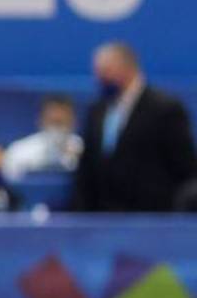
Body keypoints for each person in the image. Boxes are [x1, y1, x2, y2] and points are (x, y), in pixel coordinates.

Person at [72, 42, 197, 211]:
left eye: (105, 71)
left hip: (152, 215)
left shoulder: (165, 109)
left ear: (127, 68)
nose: (99, 78)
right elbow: (87, 167)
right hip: (104, 215)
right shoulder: (98, 109)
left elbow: (185, 166)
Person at [2, 95, 83, 181]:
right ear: (40, 120)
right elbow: (9, 183)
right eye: (52, 122)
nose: (57, 130)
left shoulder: (84, 150)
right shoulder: (18, 151)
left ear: (73, 122)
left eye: (61, 123)